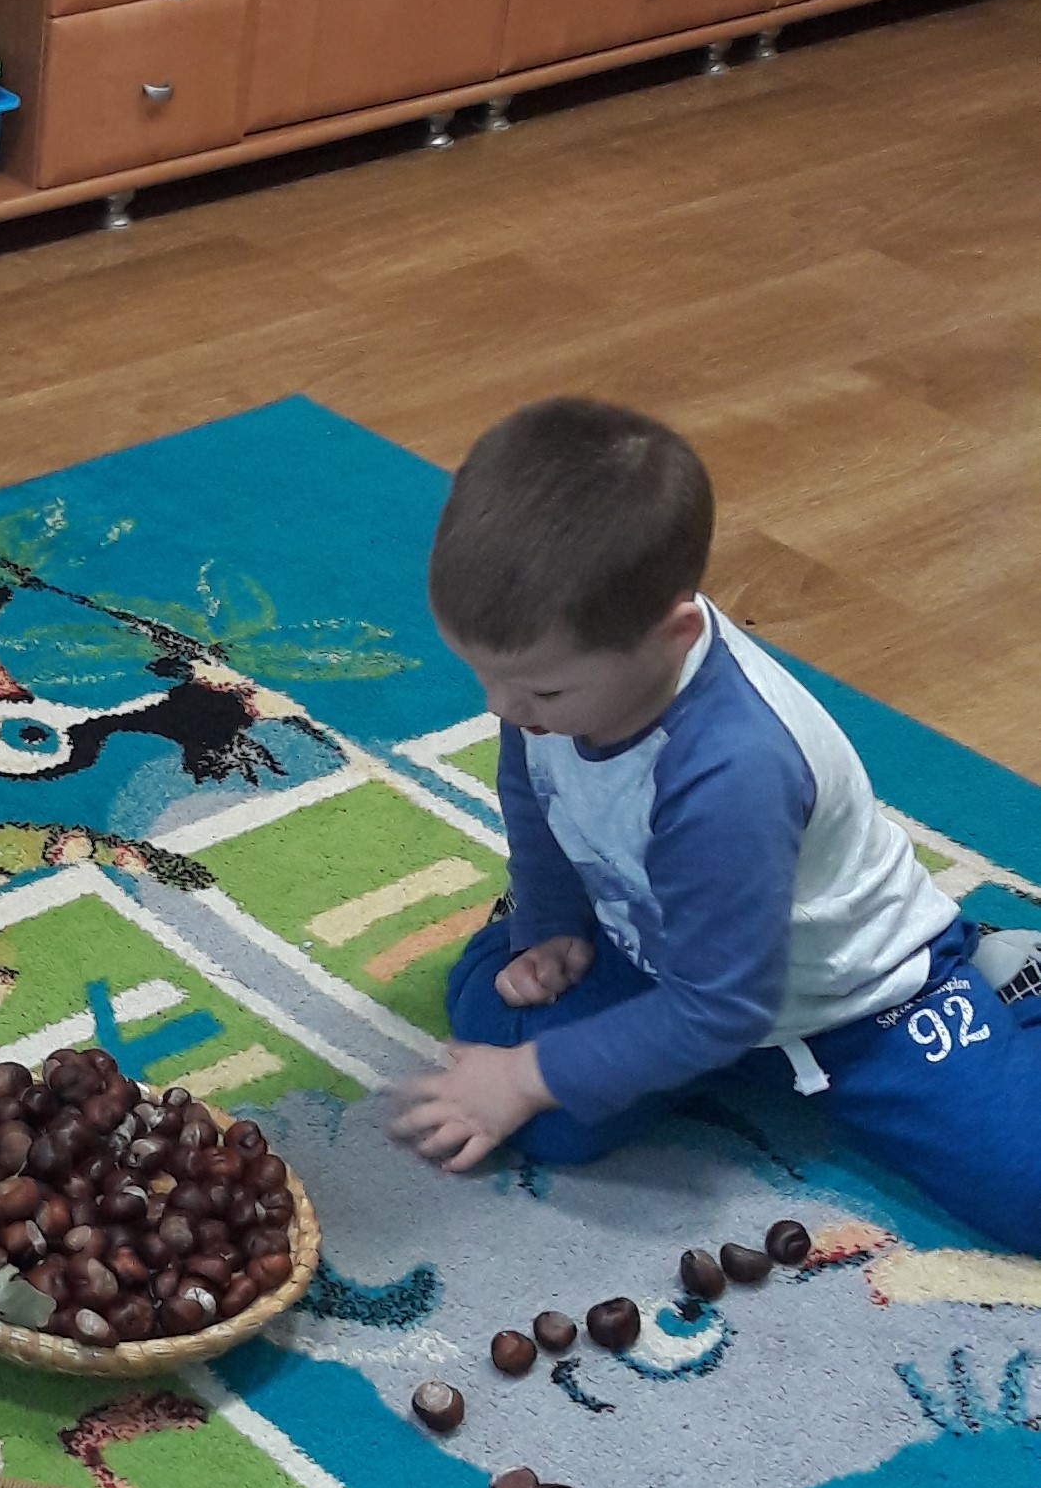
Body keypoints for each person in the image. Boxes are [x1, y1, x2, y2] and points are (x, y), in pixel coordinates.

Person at [388, 398, 1041, 1255]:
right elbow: (534, 796)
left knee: (1028, 1192)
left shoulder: (731, 769)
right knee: (538, 1111)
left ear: (676, 635)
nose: (502, 707)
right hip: (670, 960)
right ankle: (606, 1011)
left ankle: (1001, 973)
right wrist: (548, 924)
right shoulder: (560, 677)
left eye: (539, 691)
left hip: (854, 1003)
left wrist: (529, 1075)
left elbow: (724, 1007)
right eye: (484, 675)